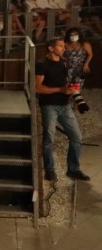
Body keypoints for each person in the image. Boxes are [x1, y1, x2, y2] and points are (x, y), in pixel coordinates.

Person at [36, 40, 89, 182]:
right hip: (49, 105)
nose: (64, 49)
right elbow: (37, 88)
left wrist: (76, 97)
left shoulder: (64, 62)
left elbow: (66, 83)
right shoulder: (42, 64)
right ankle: (50, 170)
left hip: (65, 105)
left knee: (77, 138)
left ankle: (73, 169)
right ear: (51, 48)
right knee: (49, 139)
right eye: (60, 46)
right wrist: (60, 90)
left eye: (64, 46)